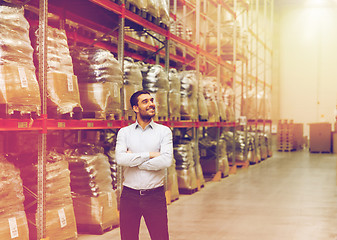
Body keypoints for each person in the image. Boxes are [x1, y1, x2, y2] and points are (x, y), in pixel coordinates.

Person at [115, 90, 173, 240]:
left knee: (160, 237)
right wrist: (149, 155)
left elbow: (166, 161)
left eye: (151, 100)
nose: (151, 104)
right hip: (129, 196)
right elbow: (120, 160)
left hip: (155, 196)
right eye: (145, 101)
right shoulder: (124, 132)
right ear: (135, 108)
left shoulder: (164, 132)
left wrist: (135, 161)